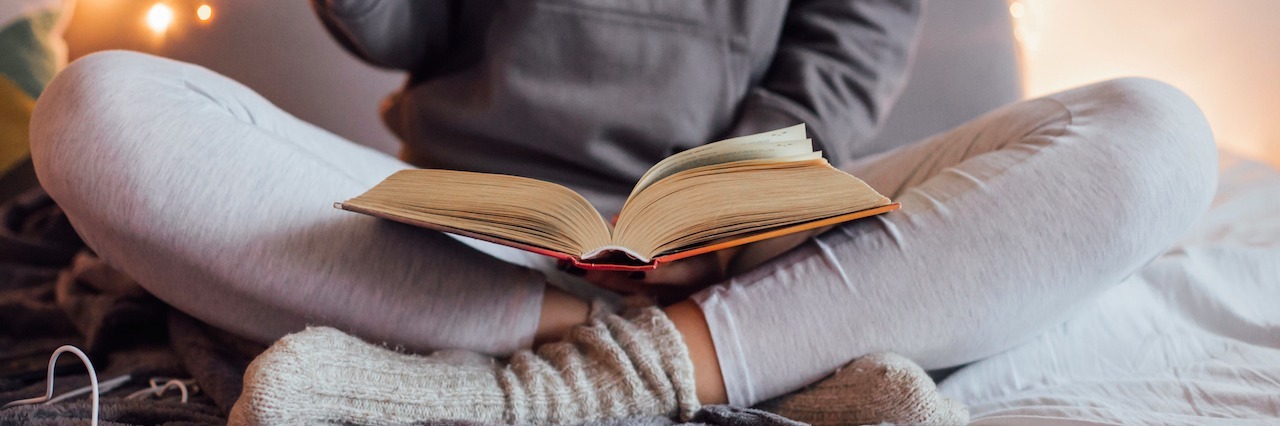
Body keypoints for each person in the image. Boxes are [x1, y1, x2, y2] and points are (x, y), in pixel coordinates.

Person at [28, 0, 1216, 424]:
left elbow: (839, 67)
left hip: (739, 235)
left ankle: (604, 364)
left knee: (1155, 133)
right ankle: (679, 359)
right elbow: (393, 26)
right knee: (95, 107)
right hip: (453, 232)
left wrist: (732, 219)